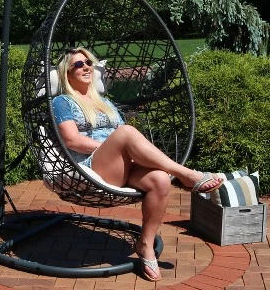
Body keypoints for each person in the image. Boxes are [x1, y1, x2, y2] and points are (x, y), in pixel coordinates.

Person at [52, 47, 223, 282]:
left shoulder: (105, 102)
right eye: (78, 64)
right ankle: (186, 174)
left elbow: (124, 140)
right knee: (126, 132)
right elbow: (72, 140)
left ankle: (145, 244)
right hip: (93, 166)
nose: (86, 67)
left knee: (160, 180)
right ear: (67, 73)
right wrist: (112, 147)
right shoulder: (62, 102)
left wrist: (123, 150)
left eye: (88, 62)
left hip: (121, 164)